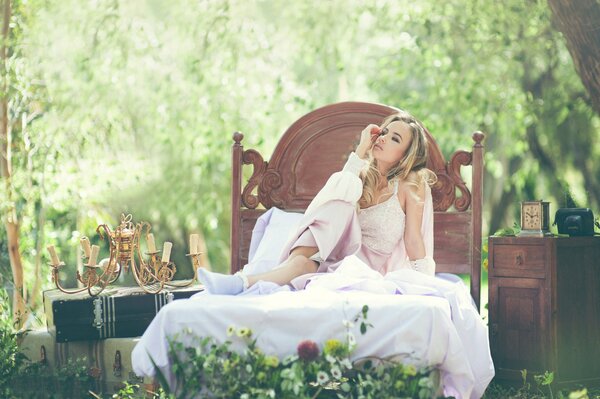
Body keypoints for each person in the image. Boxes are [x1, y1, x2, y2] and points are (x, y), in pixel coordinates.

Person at [198, 110, 437, 295]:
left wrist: (427, 286)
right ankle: (240, 282)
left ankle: (243, 283)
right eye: (383, 132)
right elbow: (333, 202)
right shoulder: (359, 176)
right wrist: (362, 148)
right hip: (333, 258)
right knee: (339, 199)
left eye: (394, 138)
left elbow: (414, 239)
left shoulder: (411, 185)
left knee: (337, 208)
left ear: (407, 155)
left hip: (362, 270)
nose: (383, 139)